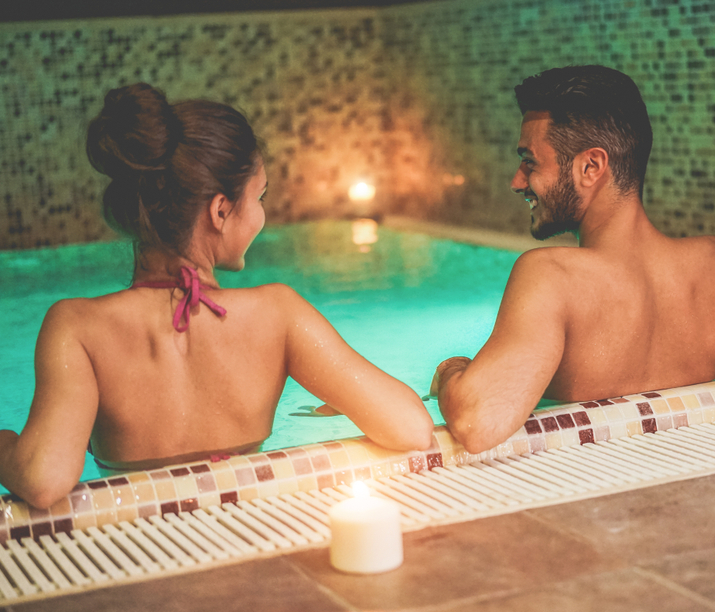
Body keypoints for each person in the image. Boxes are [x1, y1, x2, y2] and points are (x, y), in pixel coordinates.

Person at [0, 83, 433, 509]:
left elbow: (44, 480)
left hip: (135, 551)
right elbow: (411, 427)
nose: (262, 213)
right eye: (259, 197)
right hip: (248, 537)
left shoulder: (77, 327)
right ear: (221, 210)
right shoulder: (277, 315)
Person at [430, 65, 715, 454]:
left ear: (591, 167)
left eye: (529, 161)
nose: (516, 181)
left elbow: (479, 423)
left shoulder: (550, 276)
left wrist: (451, 369)